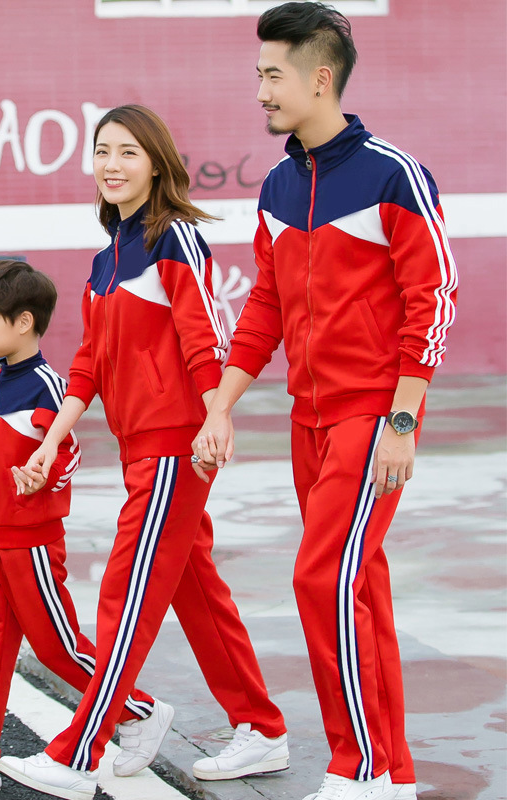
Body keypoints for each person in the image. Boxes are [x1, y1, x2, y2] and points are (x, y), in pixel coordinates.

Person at [192, 5, 458, 800]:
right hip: (307, 421)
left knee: (323, 581)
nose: (261, 90)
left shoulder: (390, 173)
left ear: (319, 76)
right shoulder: (278, 184)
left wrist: (404, 420)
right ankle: (392, 771)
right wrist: (222, 405)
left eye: (273, 74)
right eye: (258, 75)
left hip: (373, 416)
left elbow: (433, 297)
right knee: (358, 587)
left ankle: (360, 768)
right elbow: (264, 310)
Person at [0, 105, 287, 800]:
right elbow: (92, 361)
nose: (111, 164)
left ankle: (78, 751)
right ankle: (262, 727)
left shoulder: (175, 237)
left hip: (174, 444)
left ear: (156, 163)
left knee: (125, 594)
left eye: (127, 152)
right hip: (137, 447)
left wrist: (217, 413)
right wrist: (53, 436)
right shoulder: (107, 258)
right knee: (197, 593)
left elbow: (203, 337)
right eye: (102, 152)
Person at [0, 260, 161, 794]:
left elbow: (66, 453)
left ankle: (138, 711)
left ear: (23, 322)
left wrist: (42, 481)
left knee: (57, 648)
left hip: (32, 543)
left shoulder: (45, 386)